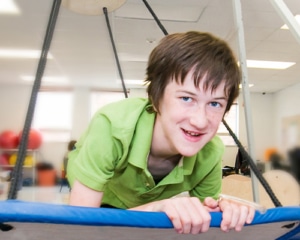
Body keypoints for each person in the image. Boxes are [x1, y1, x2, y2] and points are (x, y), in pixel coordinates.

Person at [67, 31, 255, 234]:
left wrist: (221, 212)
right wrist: (155, 209)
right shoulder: (112, 126)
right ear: (156, 99)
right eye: (186, 98)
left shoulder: (210, 152)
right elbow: (81, 230)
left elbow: (203, 224)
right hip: (101, 198)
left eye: (215, 103)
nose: (200, 121)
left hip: (137, 203)